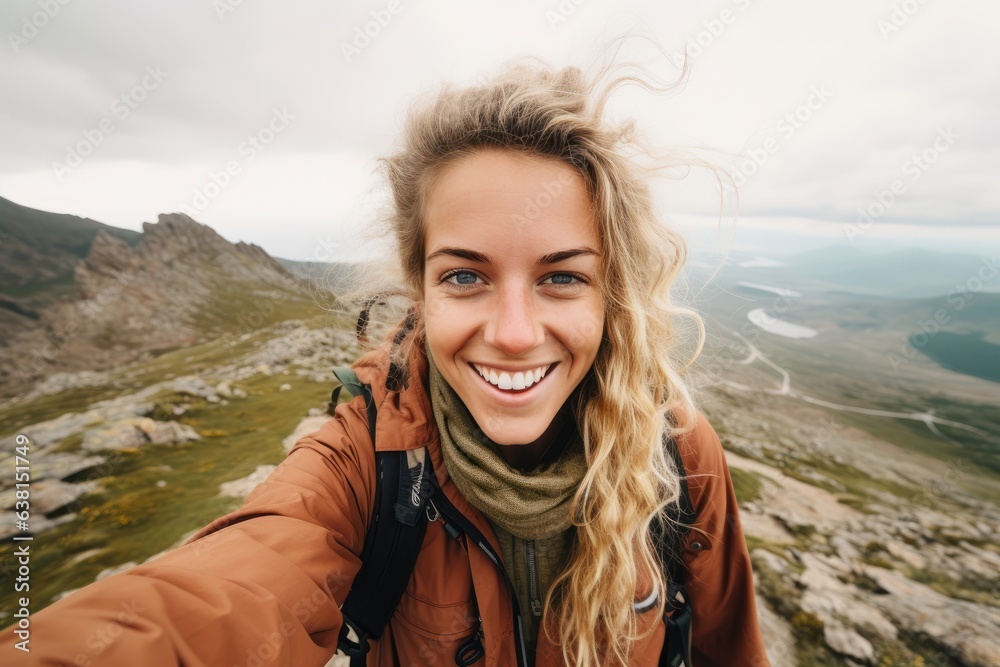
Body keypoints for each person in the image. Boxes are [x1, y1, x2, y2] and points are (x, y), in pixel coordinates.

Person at [1, 45, 768, 666]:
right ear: (419, 286)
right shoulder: (364, 460)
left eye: (562, 277)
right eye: (464, 275)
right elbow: (213, 603)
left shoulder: (678, 456)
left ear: (613, 293)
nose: (510, 330)